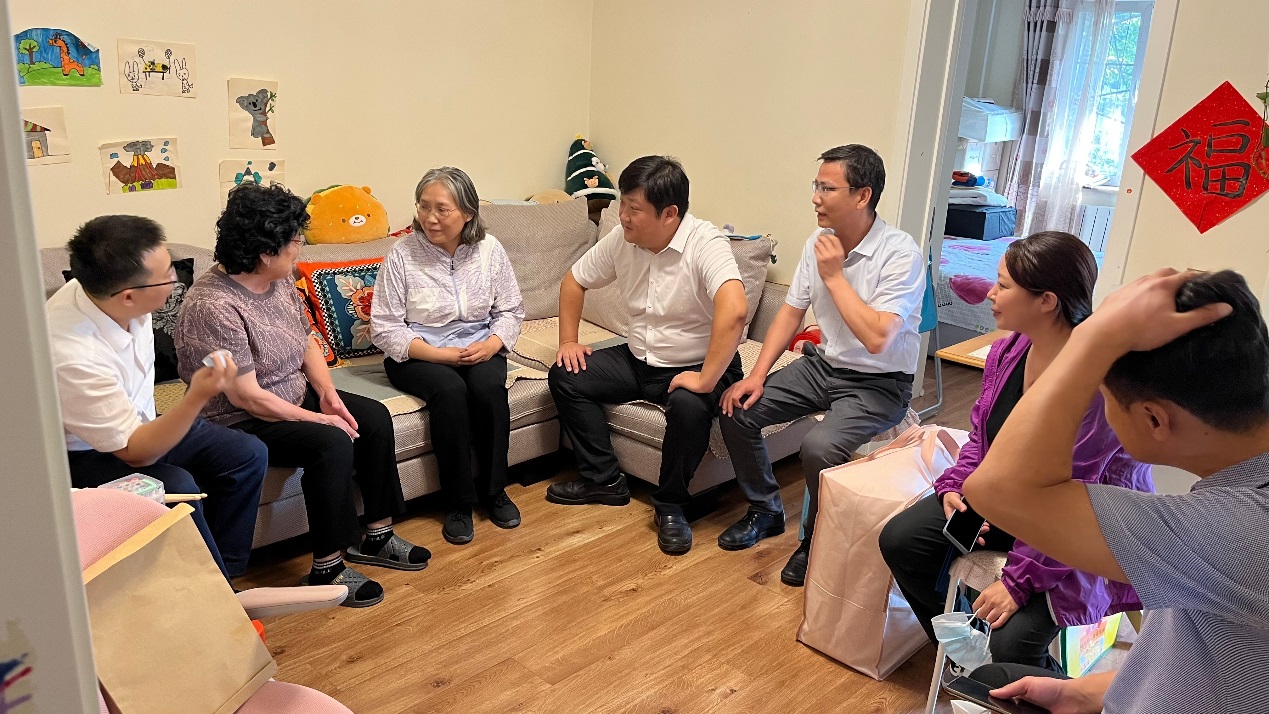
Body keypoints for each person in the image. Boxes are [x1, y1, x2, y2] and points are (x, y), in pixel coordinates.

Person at [961, 269, 1269, 714]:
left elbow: (995, 488)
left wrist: (1094, 338)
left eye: (1102, 397)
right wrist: (1086, 692)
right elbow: (1218, 653)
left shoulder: (1234, 530)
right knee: (993, 679)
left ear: (1154, 419)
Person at [878, 232, 1152, 670]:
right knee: (901, 540)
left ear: (1046, 301)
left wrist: (1018, 582)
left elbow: (1071, 499)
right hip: (1017, 502)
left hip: (1083, 527)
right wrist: (957, 485)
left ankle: (1038, 688)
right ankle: (969, 660)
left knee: (1013, 643)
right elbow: (983, 437)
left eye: (1003, 285)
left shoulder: (1097, 385)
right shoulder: (1009, 349)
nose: (990, 292)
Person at [175, 183, 429, 609]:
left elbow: (307, 339)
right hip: (239, 419)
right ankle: (327, 566)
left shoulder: (277, 280)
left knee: (372, 418)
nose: (300, 247)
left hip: (290, 394)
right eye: (294, 240)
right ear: (264, 252)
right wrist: (320, 420)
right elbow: (249, 398)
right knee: (331, 442)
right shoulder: (213, 306)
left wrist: (327, 394)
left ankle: (377, 535)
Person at [718, 144, 924, 586]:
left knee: (818, 447)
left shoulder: (900, 253)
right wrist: (756, 376)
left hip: (880, 382)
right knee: (737, 408)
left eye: (827, 188)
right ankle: (766, 510)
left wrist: (834, 275)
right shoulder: (818, 242)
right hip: (824, 366)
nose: (815, 197)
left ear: (862, 195)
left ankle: (815, 541)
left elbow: (877, 338)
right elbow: (791, 312)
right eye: (816, 186)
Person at [546, 155, 748, 555]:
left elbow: (736, 309)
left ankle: (671, 505)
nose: (622, 216)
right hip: (639, 359)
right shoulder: (622, 239)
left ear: (669, 213)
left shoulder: (706, 243)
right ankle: (604, 480)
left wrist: (706, 379)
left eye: (633, 209)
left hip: (697, 364)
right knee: (566, 374)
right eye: (622, 204)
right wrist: (568, 341)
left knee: (689, 407)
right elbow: (574, 281)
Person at [49, 215, 267, 580]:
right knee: (177, 487)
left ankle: (224, 577)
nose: (175, 281)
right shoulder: (71, 354)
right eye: (167, 276)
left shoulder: (114, 297)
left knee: (246, 453)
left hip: (142, 421)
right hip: (85, 454)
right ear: (129, 296)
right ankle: (211, 589)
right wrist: (196, 397)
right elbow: (135, 451)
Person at [370, 167, 525, 545]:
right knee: (450, 392)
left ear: (468, 212)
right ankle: (458, 502)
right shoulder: (402, 254)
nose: (430, 218)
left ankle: (494, 491)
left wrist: (493, 344)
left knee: (488, 389)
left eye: (442, 209)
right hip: (418, 352)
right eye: (423, 207)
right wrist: (440, 355)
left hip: (479, 344)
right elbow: (385, 327)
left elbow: (510, 310)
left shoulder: (490, 250)